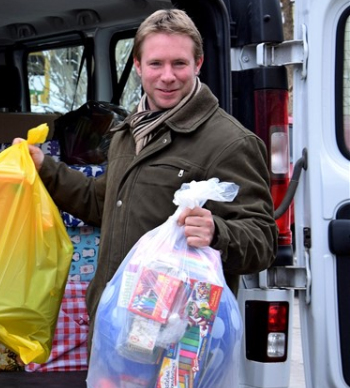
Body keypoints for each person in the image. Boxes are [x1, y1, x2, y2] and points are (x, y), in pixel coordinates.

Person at [15, 8, 277, 343]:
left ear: (198, 64)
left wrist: (218, 232)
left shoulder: (230, 142)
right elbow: (103, 203)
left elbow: (262, 243)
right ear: (138, 66)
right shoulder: (129, 131)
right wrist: (44, 168)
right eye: (156, 64)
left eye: (179, 64)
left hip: (176, 338)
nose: (167, 76)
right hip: (116, 324)